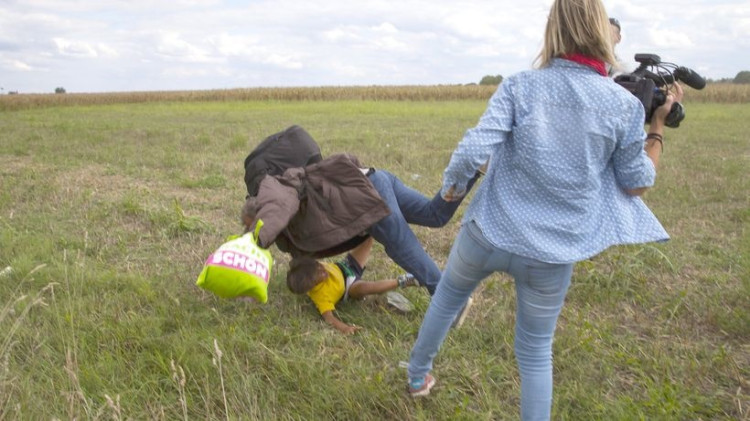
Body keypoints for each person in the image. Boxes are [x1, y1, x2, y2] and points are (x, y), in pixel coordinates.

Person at [406, 0, 683, 419]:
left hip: (487, 231)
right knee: (535, 351)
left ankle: (416, 377)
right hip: (551, 254)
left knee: (446, 299)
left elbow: (472, 150)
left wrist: (451, 189)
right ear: (601, 32)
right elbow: (637, 182)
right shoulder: (625, 106)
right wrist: (657, 128)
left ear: (553, 30)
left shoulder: (520, 86)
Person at [242, 153, 480, 297]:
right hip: (373, 179)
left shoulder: (276, 197)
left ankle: (448, 298)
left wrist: (252, 240)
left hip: (365, 196)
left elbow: (275, 211)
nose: (250, 230)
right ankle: (472, 169)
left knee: (400, 244)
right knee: (434, 215)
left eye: (250, 224)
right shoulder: (291, 237)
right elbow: (301, 263)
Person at [286, 236, 419, 334]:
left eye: (319, 266)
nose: (323, 271)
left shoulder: (307, 267)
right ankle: (403, 281)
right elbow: (329, 319)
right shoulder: (321, 296)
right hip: (350, 287)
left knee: (368, 238)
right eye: (319, 276)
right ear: (312, 286)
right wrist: (345, 328)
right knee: (365, 288)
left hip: (346, 266)